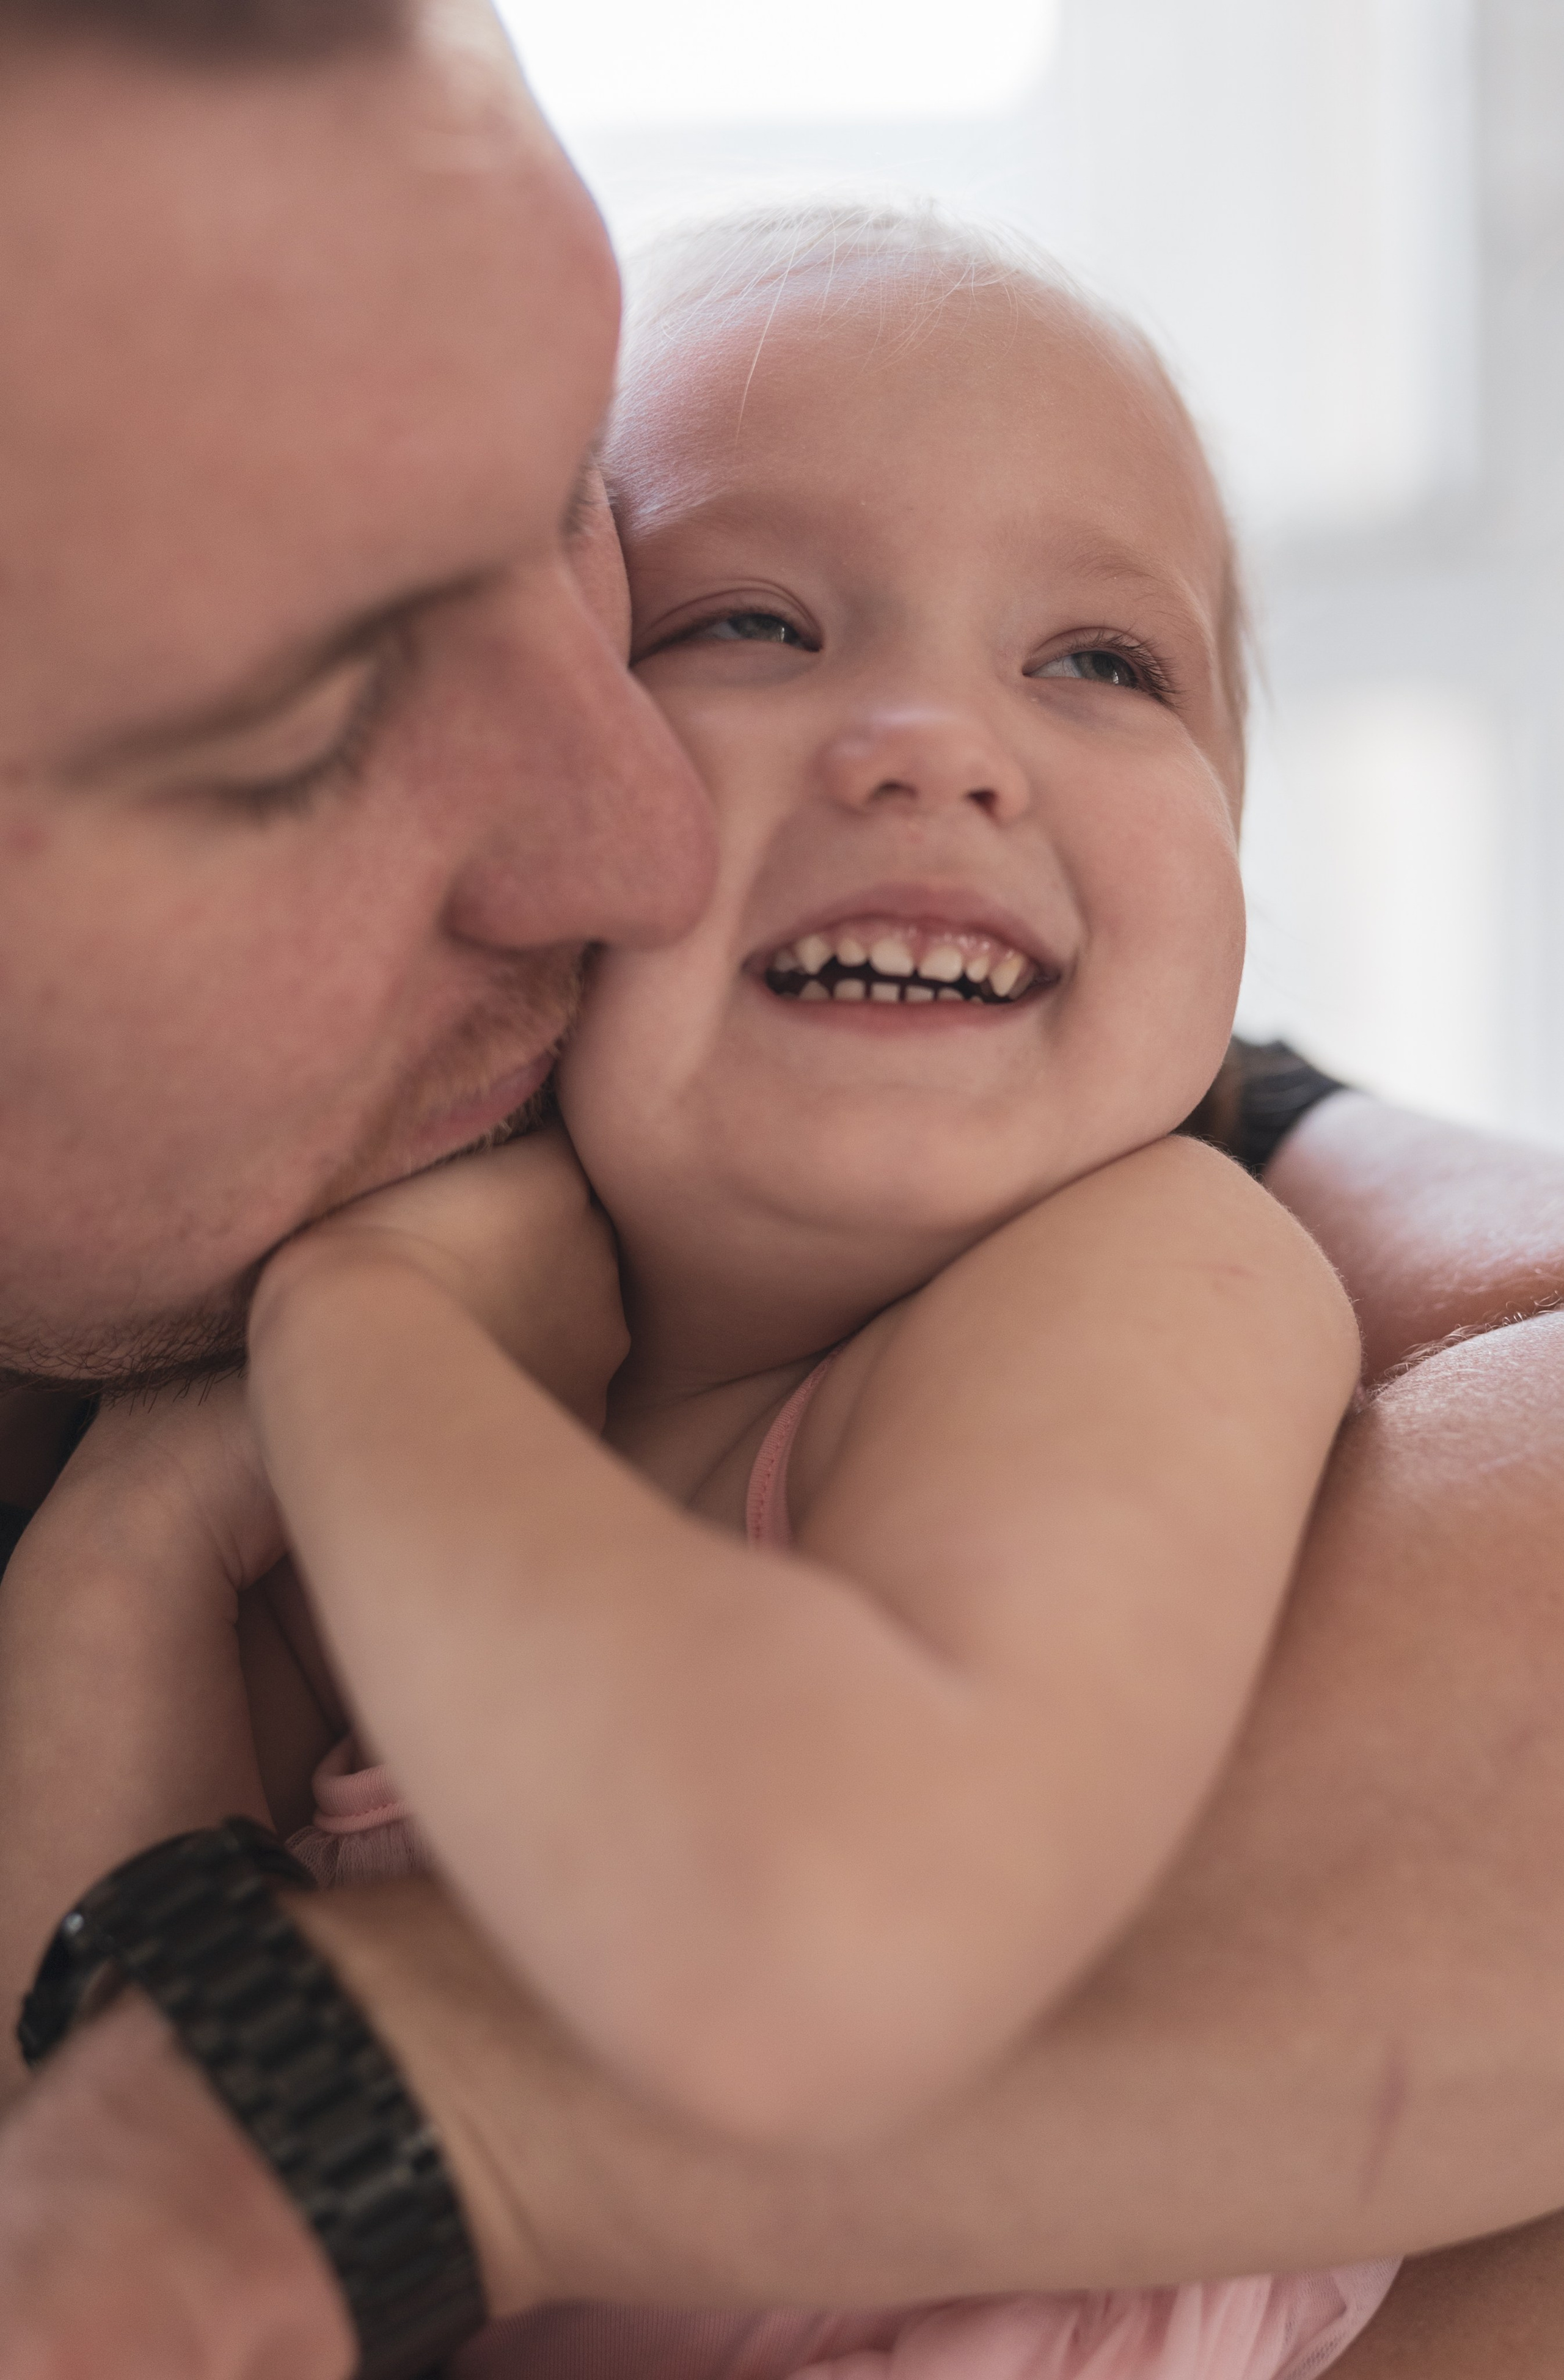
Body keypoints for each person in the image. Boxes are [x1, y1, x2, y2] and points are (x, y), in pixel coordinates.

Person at [4, 2, 1564, 2374]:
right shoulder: (351, 1470)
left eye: (1104, 662)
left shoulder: (1134, 1273)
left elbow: (796, 1941)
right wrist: (126, 1570)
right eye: (734, 620)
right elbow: (85, 2111)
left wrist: (371, 1354)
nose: (938, 747)